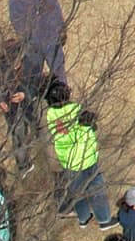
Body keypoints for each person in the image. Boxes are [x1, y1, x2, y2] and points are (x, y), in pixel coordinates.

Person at [46, 80, 109, 225]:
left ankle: (83, 218)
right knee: (97, 188)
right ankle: (104, 219)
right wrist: (88, 125)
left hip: (67, 161)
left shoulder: (50, 114)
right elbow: (83, 132)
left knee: (76, 192)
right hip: (86, 157)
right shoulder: (75, 109)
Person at [9, 0, 66, 85]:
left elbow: (16, 22)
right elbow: (57, 16)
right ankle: (62, 95)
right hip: (51, 40)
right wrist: (61, 33)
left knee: (31, 80)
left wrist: (25, 36)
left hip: (31, 43)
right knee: (59, 76)